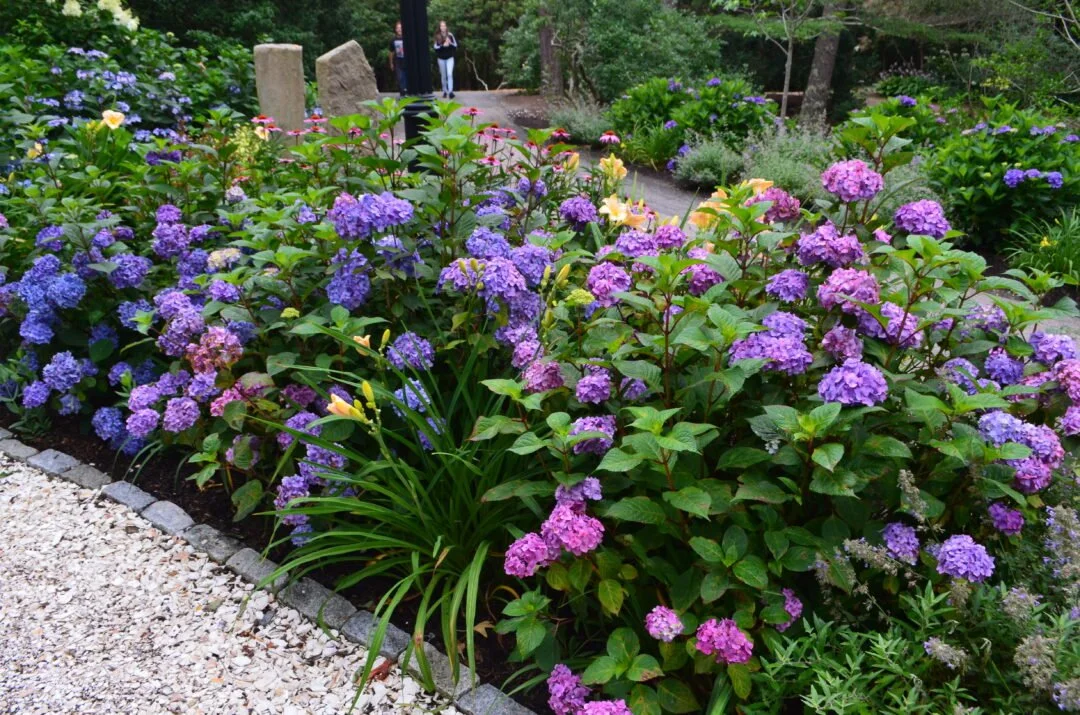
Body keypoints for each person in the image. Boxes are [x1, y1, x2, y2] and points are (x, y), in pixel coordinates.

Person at [433, 20, 457, 99]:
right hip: (441, 59)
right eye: (441, 26)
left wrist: (450, 43)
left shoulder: (450, 35)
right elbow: (435, 48)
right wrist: (443, 45)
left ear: (446, 27)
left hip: (450, 58)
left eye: (444, 26)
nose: (443, 27)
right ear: (439, 27)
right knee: (443, 76)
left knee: (449, 74)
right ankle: (444, 91)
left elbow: (455, 46)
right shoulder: (437, 36)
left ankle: (450, 92)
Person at [390, 21, 407, 96]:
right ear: (396, 29)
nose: (399, 29)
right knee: (400, 78)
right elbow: (391, 52)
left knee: (406, 78)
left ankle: (407, 92)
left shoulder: (407, 38)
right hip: (398, 62)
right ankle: (402, 94)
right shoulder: (393, 40)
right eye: (398, 28)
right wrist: (391, 63)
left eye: (401, 28)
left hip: (407, 61)